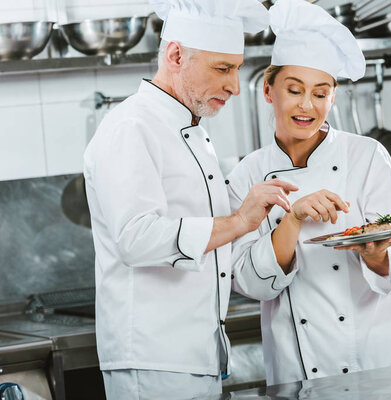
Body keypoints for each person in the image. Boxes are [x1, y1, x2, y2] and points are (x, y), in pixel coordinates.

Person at [83, 0, 298, 398]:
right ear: (176, 55)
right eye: (223, 69)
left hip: (196, 356)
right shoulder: (131, 128)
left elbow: (212, 247)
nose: (235, 86)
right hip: (153, 362)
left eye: (236, 68)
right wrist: (239, 221)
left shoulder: (191, 131)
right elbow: (136, 238)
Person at [227, 0, 391, 386]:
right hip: (299, 369)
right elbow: (247, 282)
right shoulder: (247, 174)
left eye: (321, 93)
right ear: (268, 91)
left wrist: (377, 255)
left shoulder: (367, 155)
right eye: (294, 90)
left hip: (382, 360)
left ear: (332, 98)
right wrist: (294, 217)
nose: (307, 105)